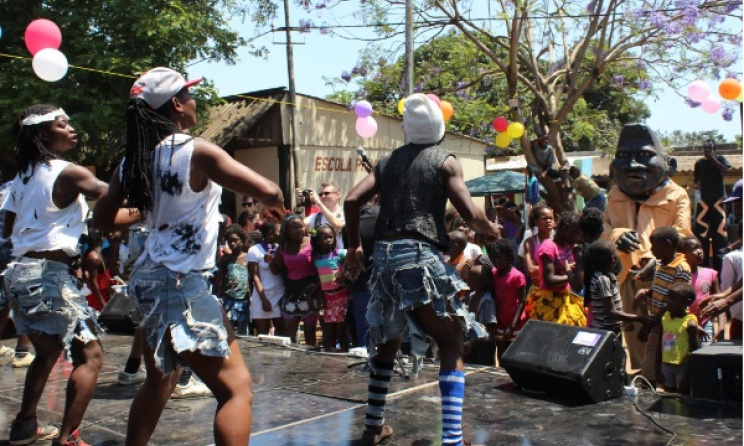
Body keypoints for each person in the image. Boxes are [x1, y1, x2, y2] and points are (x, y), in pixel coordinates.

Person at [91, 67, 285, 446]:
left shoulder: (134, 160)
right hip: (179, 281)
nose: (196, 101)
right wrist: (279, 207)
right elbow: (269, 190)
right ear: (177, 105)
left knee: (160, 379)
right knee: (236, 390)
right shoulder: (195, 150)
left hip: (147, 280)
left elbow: (102, 219)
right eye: (190, 95)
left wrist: (148, 209)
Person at [344, 93, 501, 445]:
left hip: (383, 258)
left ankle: (373, 427)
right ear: (440, 128)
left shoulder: (387, 162)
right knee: (450, 342)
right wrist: (492, 229)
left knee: (387, 340)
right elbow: (473, 214)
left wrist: (354, 246)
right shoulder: (445, 161)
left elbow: (352, 199)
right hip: (418, 255)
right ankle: (451, 439)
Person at [3, 104, 108, 446]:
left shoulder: (21, 178)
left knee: (46, 353)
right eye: (63, 125)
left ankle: (24, 426)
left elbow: (8, 230)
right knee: (90, 357)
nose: (71, 129)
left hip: (19, 273)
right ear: (43, 134)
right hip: (48, 275)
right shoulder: (68, 172)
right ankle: (68, 438)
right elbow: (111, 195)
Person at [603, 123, 691, 377]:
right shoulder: (615, 194)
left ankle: (668, 377)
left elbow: (683, 233)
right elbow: (605, 228)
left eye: (643, 156)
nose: (632, 165)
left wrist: (655, 257)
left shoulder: (676, 195)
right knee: (635, 330)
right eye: (623, 156)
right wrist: (616, 235)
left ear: (668, 164)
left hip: (666, 277)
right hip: (626, 276)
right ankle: (644, 375)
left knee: (667, 331)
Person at [635, 226, 691, 387]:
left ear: (667, 244)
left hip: (669, 326)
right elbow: (660, 290)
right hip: (658, 324)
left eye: (654, 246)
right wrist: (646, 292)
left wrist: (650, 323)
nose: (651, 250)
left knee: (653, 371)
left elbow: (675, 302)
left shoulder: (681, 268)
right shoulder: (661, 265)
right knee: (654, 367)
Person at [526, 211, 586, 326]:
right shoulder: (549, 247)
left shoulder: (571, 246)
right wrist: (569, 273)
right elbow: (549, 280)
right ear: (566, 229)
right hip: (550, 302)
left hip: (567, 299)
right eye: (576, 233)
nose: (579, 238)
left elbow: (577, 285)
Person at [270, 214, 320, 346]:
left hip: (310, 291)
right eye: (295, 228)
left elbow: (321, 267)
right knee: (289, 331)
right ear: (287, 231)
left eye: (301, 226)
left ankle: (311, 362)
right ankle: (290, 362)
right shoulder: (282, 247)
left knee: (310, 331)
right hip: (292, 290)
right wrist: (271, 262)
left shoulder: (312, 242)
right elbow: (277, 270)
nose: (299, 230)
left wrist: (317, 290)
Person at [586, 240, 652, 337]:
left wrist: (624, 322)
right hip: (604, 330)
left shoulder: (608, 275)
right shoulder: (603, 280)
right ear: (613, 259)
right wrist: (640, 318)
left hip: (612, 328)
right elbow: (611, 312)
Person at [693, 140, 732, 271]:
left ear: (714, 148)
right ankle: (702, 269)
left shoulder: (720, 159)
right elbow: (695, 179)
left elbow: (725, 169)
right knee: (702, 236)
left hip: (718, 203)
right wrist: (697, 184)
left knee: (720, 238)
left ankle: (721, 272)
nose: (706, 150)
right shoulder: (699, 163)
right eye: (704, 148)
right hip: (703, 204)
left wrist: (713, 159)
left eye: (709, 147)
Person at [311, 223, 350, 352]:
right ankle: (329, 353)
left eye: (331, 237)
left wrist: (343, 273)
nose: (328, 240)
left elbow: (350, 267)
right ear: (317, 241)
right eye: (324, 238)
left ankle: (344, 353)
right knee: (327, 330)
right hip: (328, 299)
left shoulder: (340, 254)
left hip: (342, 297)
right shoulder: (316, 259)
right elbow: (319, 278)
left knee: (341, 330)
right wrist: (316, 293)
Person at [486, 240, 527, 364]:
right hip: (500, 321)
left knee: (514, 356)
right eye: (493, 258)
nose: (496, 261)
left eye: (499, 258)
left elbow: (522, 302)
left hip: (515, 322)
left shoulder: (517, 276)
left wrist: (512, 326)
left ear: (509, 256)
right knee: (501, 355)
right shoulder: (493, 273)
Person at [679, 235, 724, 345]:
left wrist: (721, 327)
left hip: (705, 324)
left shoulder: (711, 274)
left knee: (704, 357)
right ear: (682, 254)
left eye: (700, 247)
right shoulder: (679, 275)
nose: (700, 251)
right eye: (694, 249)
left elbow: (719, 301)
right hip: (682, 325)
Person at [659, 283, 699, 395]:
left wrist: (687, 376)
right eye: (668, 297)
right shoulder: (665, 317)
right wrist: (657, 369)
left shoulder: (690, 323)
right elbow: (659, 344)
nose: (669, 301)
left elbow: (694, 352)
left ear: (688, 302)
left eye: (674, 298)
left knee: (683, 397)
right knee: (669, 396)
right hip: (666, 365)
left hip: (682, 367)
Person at [247, 222, 284, 336]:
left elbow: (278, 271)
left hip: (279, 293)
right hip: (261, 295)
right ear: (270, 234)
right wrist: (263, 299)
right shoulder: (254, 250)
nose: (281, 234)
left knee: (281, 333)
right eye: (279, 232)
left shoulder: (280, 248)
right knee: (262, 334)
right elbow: (255, 276)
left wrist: (273, 261)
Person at [214, 224, 251, 336]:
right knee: (227, 330)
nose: (232, 244)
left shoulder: (248, 257)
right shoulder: (226, 259)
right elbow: (220, 279)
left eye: (235, 240)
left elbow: (253, 279)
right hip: (228, 300)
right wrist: (217, 297)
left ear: (243, 241)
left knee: (242, 331)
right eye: (229, 241)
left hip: (243, 301)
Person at [462, 265, 497, 366]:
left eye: (471, 276)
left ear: (480, 282)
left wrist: (473, 342)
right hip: (470, 345)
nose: (467, 278)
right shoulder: (471, 297)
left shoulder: (487, 301)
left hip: (483, 347)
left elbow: (489, 329)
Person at [303, 182, 345, 249]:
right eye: (320, 194)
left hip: (342, 257)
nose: (323, 196)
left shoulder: (345, 213)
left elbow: (338, 226)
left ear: (338, 195)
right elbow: (299, 226)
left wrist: (319, 203)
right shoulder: (317, 216)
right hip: (322, 257)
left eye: (326, 193)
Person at [83, 229, 115, 312]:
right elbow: (93, 282)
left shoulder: (97, 253)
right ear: (100, 238)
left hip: (104, 294)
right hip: (97, 299)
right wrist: (103, 304)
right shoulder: (93, 257)